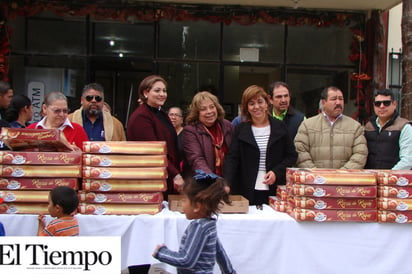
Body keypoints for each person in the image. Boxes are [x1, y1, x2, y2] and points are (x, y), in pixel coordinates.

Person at [224, 85, 297, 206]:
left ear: (267, 103)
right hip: (246, 188)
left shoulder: (280, 127)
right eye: (251, 104)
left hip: (274, 188)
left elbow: (291, 156)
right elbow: (232, 158)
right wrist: (226, 183)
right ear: (246, 107)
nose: (256, 107)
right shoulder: (240, 130)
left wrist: (276, 172)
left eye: (260, 102)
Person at [152, 170, 236, 274]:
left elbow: (186, 260)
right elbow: (220, 252)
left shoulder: (199, 227)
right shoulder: (209, 225)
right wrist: (229, 271)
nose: (182, 204)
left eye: (184, 200)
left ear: (197, 206)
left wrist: (161, 253)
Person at [127, 75, 183, 194]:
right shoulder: (141, 117)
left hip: (165, 174)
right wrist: (175, 174)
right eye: (157, 90)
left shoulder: (161, 113)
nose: (162, 94)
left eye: (164, 91)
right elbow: (154, 152)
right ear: (145, 93)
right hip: (151, 180)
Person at [294, 86, 368, 169]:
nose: (338, 102)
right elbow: (300, 152)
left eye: (341, 99)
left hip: (345, 179)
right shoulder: (307, 125)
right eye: (334, 99)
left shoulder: (355, 126)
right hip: (315, 179)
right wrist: (316, 174)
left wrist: (342, 174)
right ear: (323, 102)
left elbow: (360, 154)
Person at [182, 91, 234, 178]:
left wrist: (229, 181)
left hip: (228, 182)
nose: (209, 111)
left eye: (212, 107)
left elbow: (234, 156)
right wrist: (214, 180)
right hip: (203, 184)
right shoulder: (190, 131)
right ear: (197, 112)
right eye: (203, 109)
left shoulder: (228, 126)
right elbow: (196, 159)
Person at [364, 88, 412, 169]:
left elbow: (408, 160)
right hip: (370, 178)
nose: (381, 106)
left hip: (394, 178)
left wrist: (388, 175)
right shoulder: (368, 126)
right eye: (377, 103)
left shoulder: (404, 127)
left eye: (386, 103)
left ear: (394, 104)